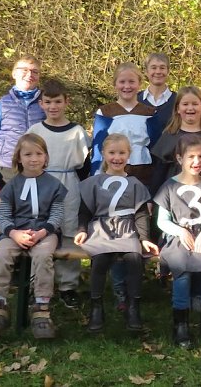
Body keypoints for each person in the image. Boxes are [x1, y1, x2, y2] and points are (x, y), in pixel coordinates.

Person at [0, 134, 66, 339]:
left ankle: (41, 308)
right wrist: (14, 233)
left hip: (45, 232)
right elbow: (3, 216)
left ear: (46, 157)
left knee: (44, 256)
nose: (33, 159)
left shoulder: (53, 185)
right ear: (18, 157)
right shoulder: (12, 185)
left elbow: (57, 214)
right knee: (1, 253)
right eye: (27, 154)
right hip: (16, 231)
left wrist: (42, 232)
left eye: (38, 154)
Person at [154, 135, 201, 348]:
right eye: (191, 157)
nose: (197, 161)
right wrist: (179, 231)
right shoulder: (168, 187)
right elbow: (162, 221)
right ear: (179, 158)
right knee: (182, 272)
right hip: (177, 238)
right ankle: (181, 325)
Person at [75, 134, 157, 333]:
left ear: (129, 155)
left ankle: (132, 307)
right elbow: (85, 210)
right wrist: (82, 230)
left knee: (134, 258)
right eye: (112, 153)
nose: (117, 157)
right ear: (103, 154)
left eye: (122, 153)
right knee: (101, 259)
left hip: (126, 229)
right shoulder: (94, 182)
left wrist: (144, 239)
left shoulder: (135, 183)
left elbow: (140, 214)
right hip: (101, 228)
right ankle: (96, 309)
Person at [26, 79, 91, 309]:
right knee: (40, 232)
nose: (53, 106)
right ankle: (40, 284)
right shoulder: (35, 131)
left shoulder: (76, 131)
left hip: (69, 183)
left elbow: (84, 166)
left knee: (69, 233)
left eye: (57, 102)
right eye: (48, 102)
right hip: (42, 182)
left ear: (66, 102)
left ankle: (68, 286)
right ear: (41, 104)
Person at [0, 55, 46, 196]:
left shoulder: (46, 105)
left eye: (35, 71)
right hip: (6, 170)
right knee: (6, 215)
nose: (30, 75)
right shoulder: (2, 105)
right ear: (14, 73)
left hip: (38, 169)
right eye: (24, 70)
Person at [90, 62, 157, 187]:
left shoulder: (150, 113)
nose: (127, 86)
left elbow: (155, 149)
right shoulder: (105, 112)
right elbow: (98, 148)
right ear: (115, 84)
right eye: (122, 82)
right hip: (112, 172)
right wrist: (96, 177)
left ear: (139, 84)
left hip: (143, 173)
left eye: (131, 81)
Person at [137, 52, 176, 146]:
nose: (158, 72)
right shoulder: (135, 100)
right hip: (140, 159)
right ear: (146, 72)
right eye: (153, 68)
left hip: (169, 159)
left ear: (168, 71)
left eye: (162, 68)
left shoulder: (178, 101)